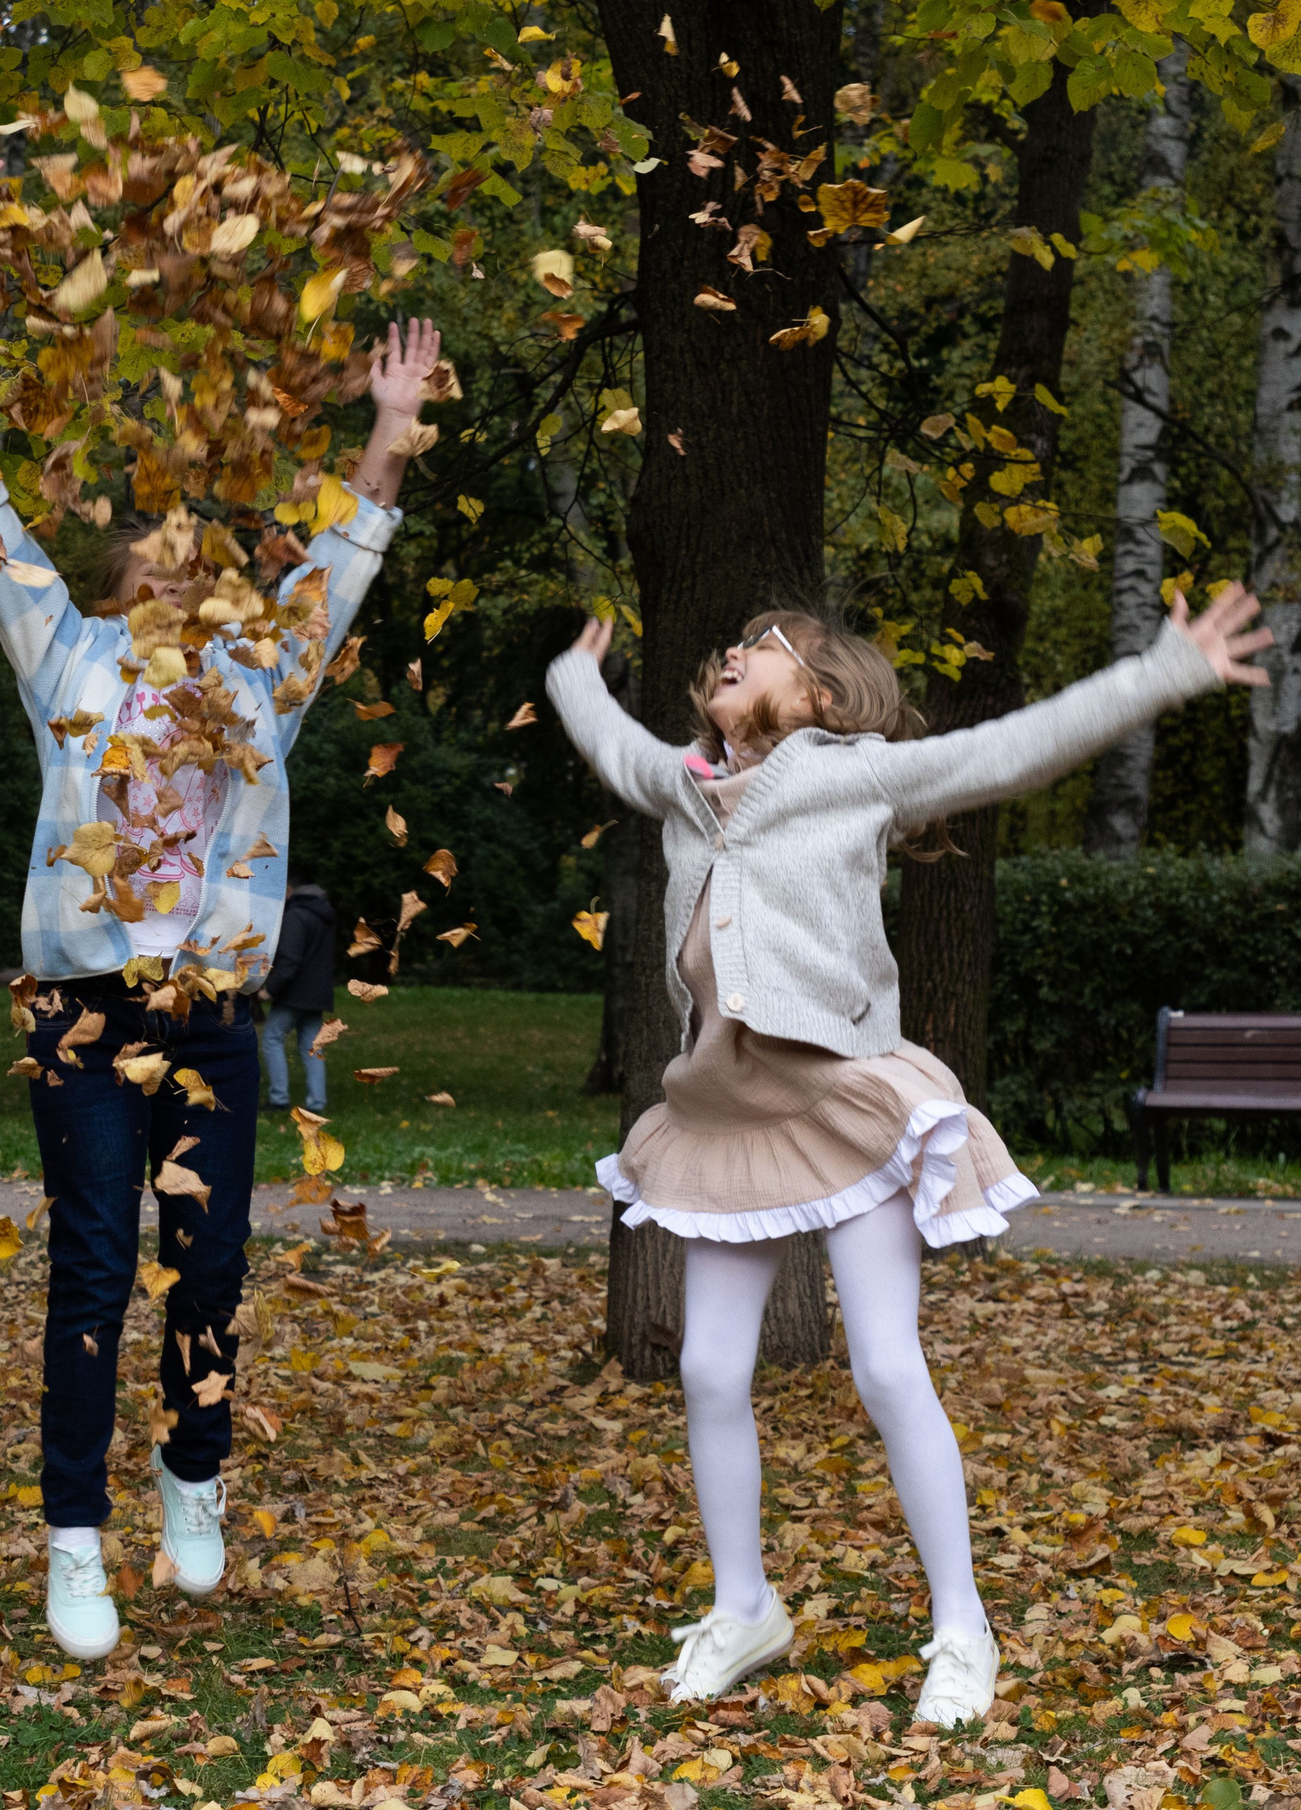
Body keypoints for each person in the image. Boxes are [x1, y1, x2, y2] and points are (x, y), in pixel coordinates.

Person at [544, 587, 1273, 1727]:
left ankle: (963, 1627)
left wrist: (1165, 671)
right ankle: (745, 1607)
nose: (732, 651)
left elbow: (1011, 750)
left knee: (886, 1364)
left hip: (849, 1102)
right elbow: (609, 741)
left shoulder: (852, 775)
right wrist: (570, 674)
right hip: (728, 1117)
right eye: (733, 644)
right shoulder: (686, 788)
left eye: (763, 648)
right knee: (708, 1370)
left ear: (821, 695)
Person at [0, 319, 443, 1660]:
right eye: (155, 570)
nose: (179, 587)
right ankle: (74, 1537)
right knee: (91, 1267)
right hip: (82, 1013)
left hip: (209, 1017)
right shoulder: (69, 664)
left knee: (211, 1261)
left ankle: (193, 1467)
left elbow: (341, 567)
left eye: (202, 577)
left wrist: (391, 424)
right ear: (116, 592)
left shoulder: (260, 688)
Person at [260, 873, 337, 1113]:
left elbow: (289, 960)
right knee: (312, 1047)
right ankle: (317, 1102)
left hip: (294, 994)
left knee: (272, 1039)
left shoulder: (295, 915)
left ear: (288, 889)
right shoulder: (324, 913)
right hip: (318, 994)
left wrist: (270, 989)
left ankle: (279, 1098)